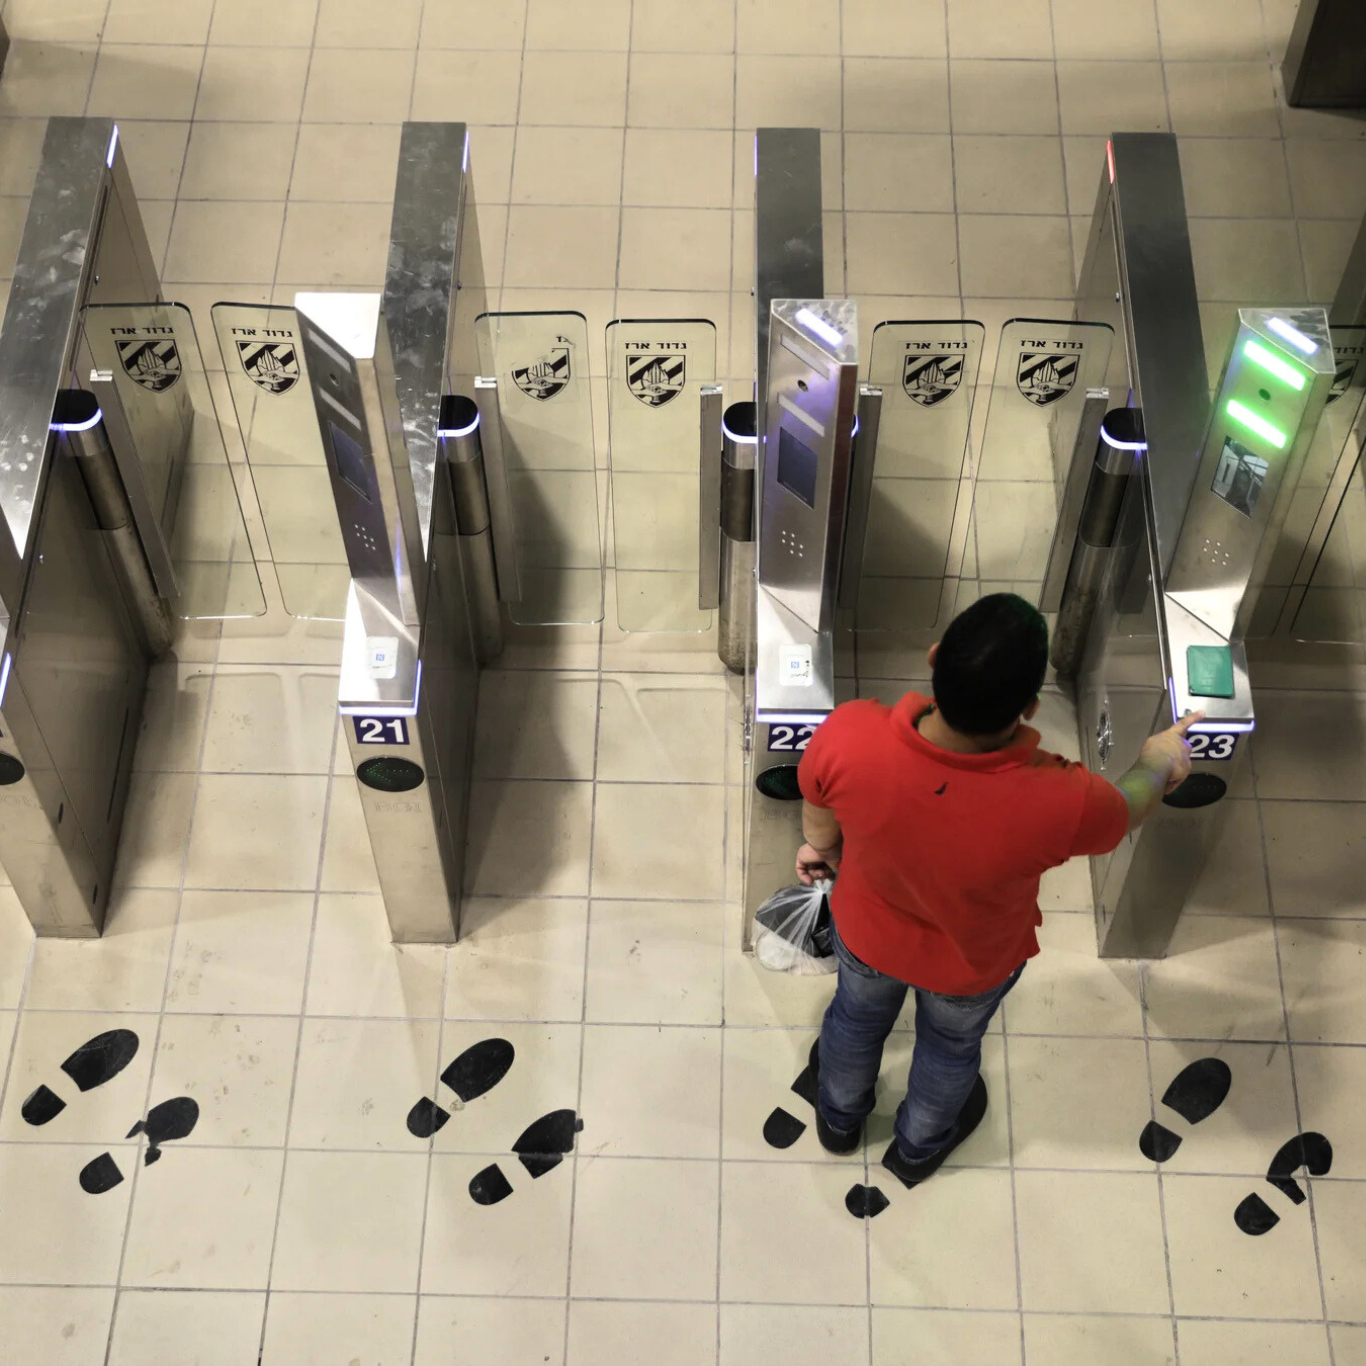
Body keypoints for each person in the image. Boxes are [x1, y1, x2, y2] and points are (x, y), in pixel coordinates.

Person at [794, 592, 1203, 1188]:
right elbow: (1128, 807)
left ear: (935, 659)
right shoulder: (1064, 799)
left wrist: (824, 849)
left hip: (866, 935)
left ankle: (837, 1120)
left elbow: (818, 804)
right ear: (1030, 707)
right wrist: (1158, 761)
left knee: (854, 1021)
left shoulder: (852, 733)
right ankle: (916, 1146)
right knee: (950, 1049)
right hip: (973, 965)